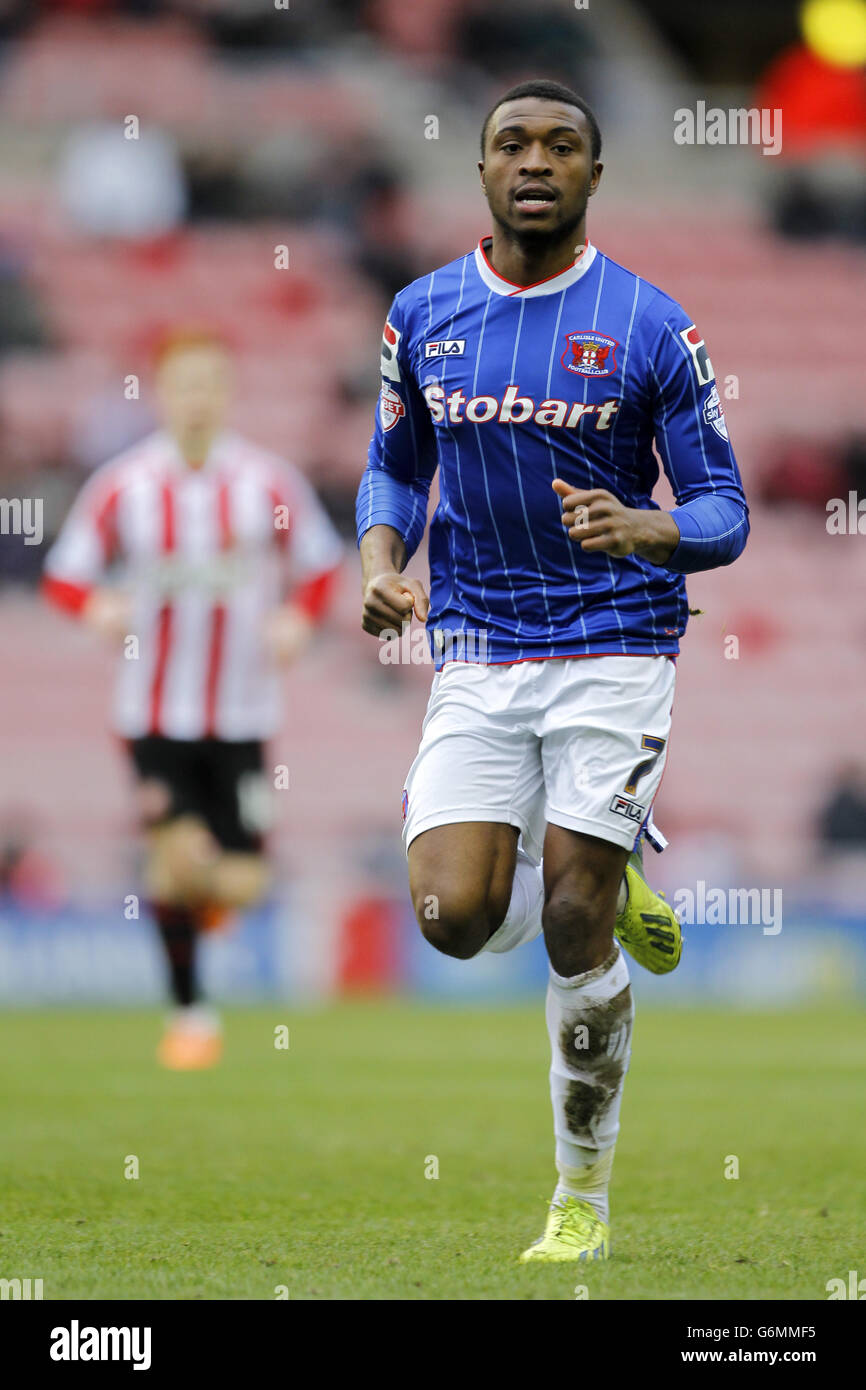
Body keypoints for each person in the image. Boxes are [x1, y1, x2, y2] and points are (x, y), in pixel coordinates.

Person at [356, 79, 748, 1263]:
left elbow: (723, 510)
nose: (535, 160)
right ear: (479, 172)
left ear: (592, 174)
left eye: (561, 144)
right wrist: (379, 561)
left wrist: (648, 527)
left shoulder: (647, 325)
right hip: (473, 652)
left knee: (570, 922)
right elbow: (392, 470)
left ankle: (580, 1195)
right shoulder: (421, 313)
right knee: (451, 918)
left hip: (615, 648)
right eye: (511, 144)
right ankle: (599, 856)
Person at [43, 328, 343, 1069]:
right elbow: (66, 573)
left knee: (241, 881)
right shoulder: (125, 484)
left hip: (244, 715)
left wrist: (297, 620)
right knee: (172, 860)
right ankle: (189, 1016)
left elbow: (320, 563)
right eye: (185, 383)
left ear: (228, 391)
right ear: (163, 392)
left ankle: (209, 906)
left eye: (211, 381)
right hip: (152, 715)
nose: (198, 397)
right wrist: (96, 609)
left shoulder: (267, 484)